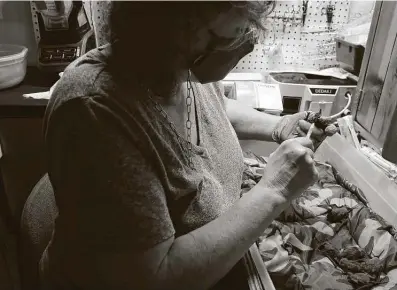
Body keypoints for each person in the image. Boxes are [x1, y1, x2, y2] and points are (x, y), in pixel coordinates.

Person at [39, 1, 336, 290]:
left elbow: (216, 109)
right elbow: (154, 278)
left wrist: (278, 126)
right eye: (234, 36)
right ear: (171, 30)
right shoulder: (94, 111)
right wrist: (275, 190)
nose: (246, 45)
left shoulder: (180, 71)